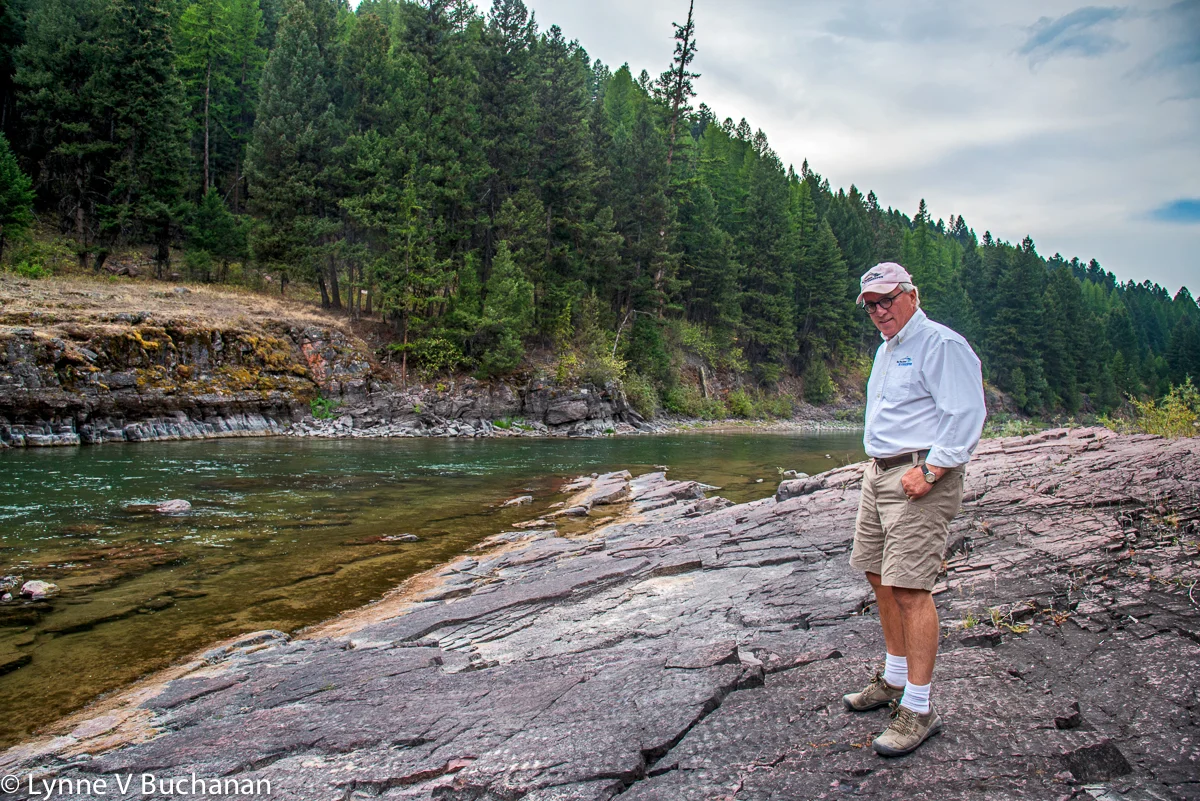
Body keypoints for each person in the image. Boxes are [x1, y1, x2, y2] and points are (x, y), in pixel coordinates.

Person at [842, 261, 986, 757]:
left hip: (920, 478)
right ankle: (895, 679)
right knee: (879, 576)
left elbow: (966, 412)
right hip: (880, 473)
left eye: (887, 299)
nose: (879, 311)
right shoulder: (888, 349)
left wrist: (931, 471)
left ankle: (919, 708)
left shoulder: (941, 344)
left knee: (909, 587)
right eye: (871, 305)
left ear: (912, 295)